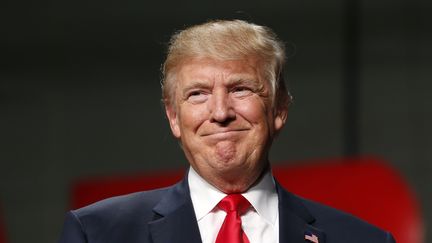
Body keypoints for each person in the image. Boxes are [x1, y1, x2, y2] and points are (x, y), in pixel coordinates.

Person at [58, 19, 395, 243]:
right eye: (198, 94)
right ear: (174, 117)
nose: (220, 113)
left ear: (279, 109)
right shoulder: (98, 233)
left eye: (241, 89)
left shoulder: (362, 239)